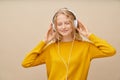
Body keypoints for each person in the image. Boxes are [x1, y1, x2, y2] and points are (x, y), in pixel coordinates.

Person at [22, 8, 116, 80]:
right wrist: (44, 41)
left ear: (74, 24)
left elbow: (110, 51)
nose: (63, 27)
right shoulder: (50, 49)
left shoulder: (86, 47)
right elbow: (26, 63)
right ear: (55, 27)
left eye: (67, 23)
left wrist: (89, 35)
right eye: (59, 24)